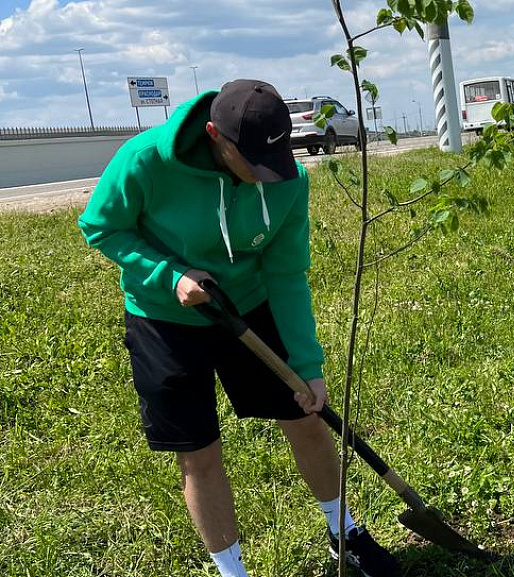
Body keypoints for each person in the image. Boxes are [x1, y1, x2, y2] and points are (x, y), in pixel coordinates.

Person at [78, 80, 400, 577]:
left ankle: (344, 532)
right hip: (164, 318)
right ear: (214, 136)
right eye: (249, 161)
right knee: (199, 452)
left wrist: (308, 367)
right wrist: (169, 274)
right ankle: (233, 572)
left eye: (273, 162)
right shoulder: (143, 160)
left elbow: (287, 273)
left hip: (249, 305)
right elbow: (101, 226)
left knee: (307, 419)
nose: (264, 176)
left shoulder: (286, 178)